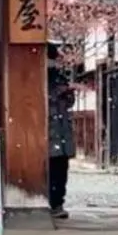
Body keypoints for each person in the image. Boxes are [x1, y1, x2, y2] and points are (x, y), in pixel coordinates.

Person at [48, 44, 76, 219]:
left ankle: (57, 203)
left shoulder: (60, 76)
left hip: (61, 128)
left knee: (60, 168)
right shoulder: (38, 75)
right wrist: (59, 93)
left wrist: (67, 93)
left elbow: (69, 102)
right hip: (48, 129)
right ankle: (53, 202)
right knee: (53, 168)